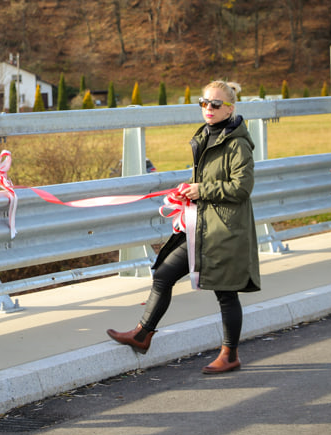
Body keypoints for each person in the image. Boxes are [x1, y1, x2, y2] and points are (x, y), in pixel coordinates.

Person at [106, 80, 261, 374]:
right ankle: (142, 334)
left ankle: (230, 354)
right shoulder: (207, 134)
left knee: (226, 292)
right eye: (204, 103)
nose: (209, 109)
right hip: (200, 224)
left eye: (216, 104)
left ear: (230, 108)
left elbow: (242, 187)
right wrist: (191, 190)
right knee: (164, 273)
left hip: (225, 230)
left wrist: (203, 190)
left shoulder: (237, 143)